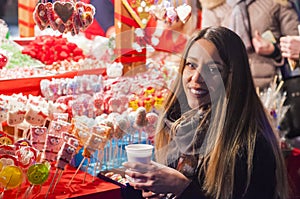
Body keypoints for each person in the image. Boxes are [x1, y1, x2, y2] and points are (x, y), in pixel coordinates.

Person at [123, 26, 289, 199]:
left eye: (212, 69)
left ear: (232, 77)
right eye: (191, 65)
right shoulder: (178, 125)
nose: (195, 78)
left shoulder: (251, 145)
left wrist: (182, 188)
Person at [200, 0, 299, 90]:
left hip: (271, 89)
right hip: (229, 88)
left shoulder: (277, 2)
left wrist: (274, 50)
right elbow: (207, 52)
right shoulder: (211, 7)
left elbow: (295, 45)